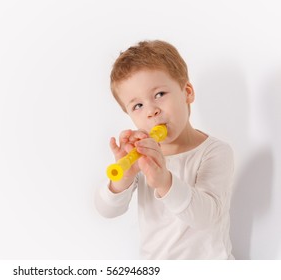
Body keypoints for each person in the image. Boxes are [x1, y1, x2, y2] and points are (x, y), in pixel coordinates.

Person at [95, 40, 234, 259]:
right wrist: (123, 178)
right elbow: (107, 210)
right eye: (137, 106)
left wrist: (164, 182)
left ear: (187, 92)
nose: (151, 111)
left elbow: (206, 218)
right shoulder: (141, 156)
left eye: (159, 94)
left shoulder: (215, 152)